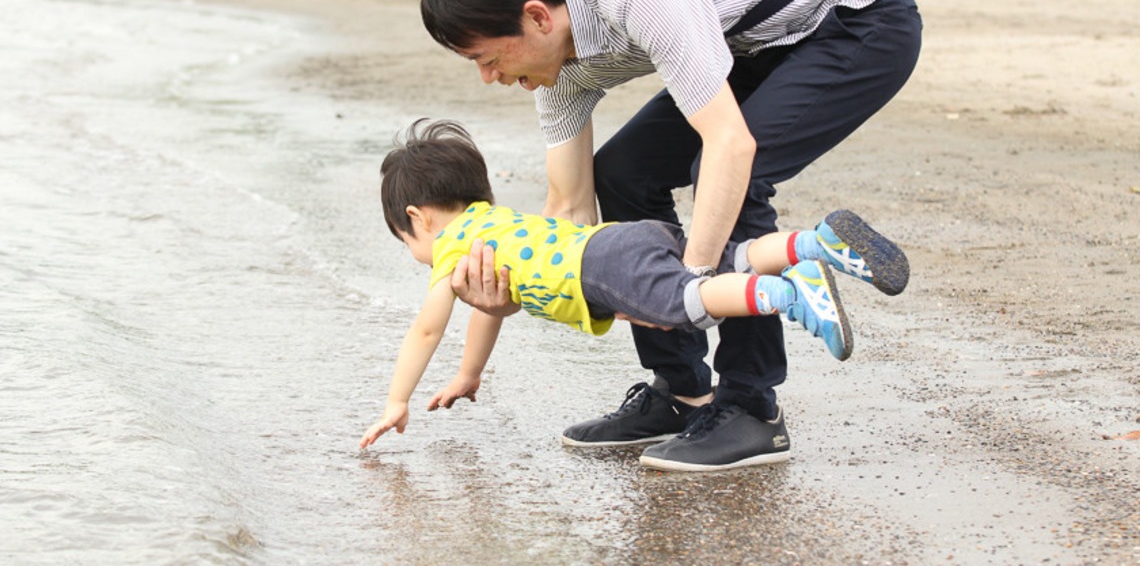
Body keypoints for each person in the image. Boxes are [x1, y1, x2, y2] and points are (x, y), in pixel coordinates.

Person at [418, 0, 921, 471]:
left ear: (536, 17)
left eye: (485, 58)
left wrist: (693, 291)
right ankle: (684, 393)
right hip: (756, 42)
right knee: (622, 171)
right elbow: (570, 211)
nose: (488, 79)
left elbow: (731, 145)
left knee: (732, 172)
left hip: (859, 18)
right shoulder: (558, 71)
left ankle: (752, 408)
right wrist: (506, 296)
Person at [359, 119, 909, 465]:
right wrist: (469, 374)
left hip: (602, 268)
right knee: (725, 259)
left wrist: (396, 400)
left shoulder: (452, 247)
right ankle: (813, 243)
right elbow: (490, 308)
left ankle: (788, 294)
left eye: (406, 240)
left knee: (691, 304)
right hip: (623, 238)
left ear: (417, 219)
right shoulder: (491, 219)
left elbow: (426, 327)